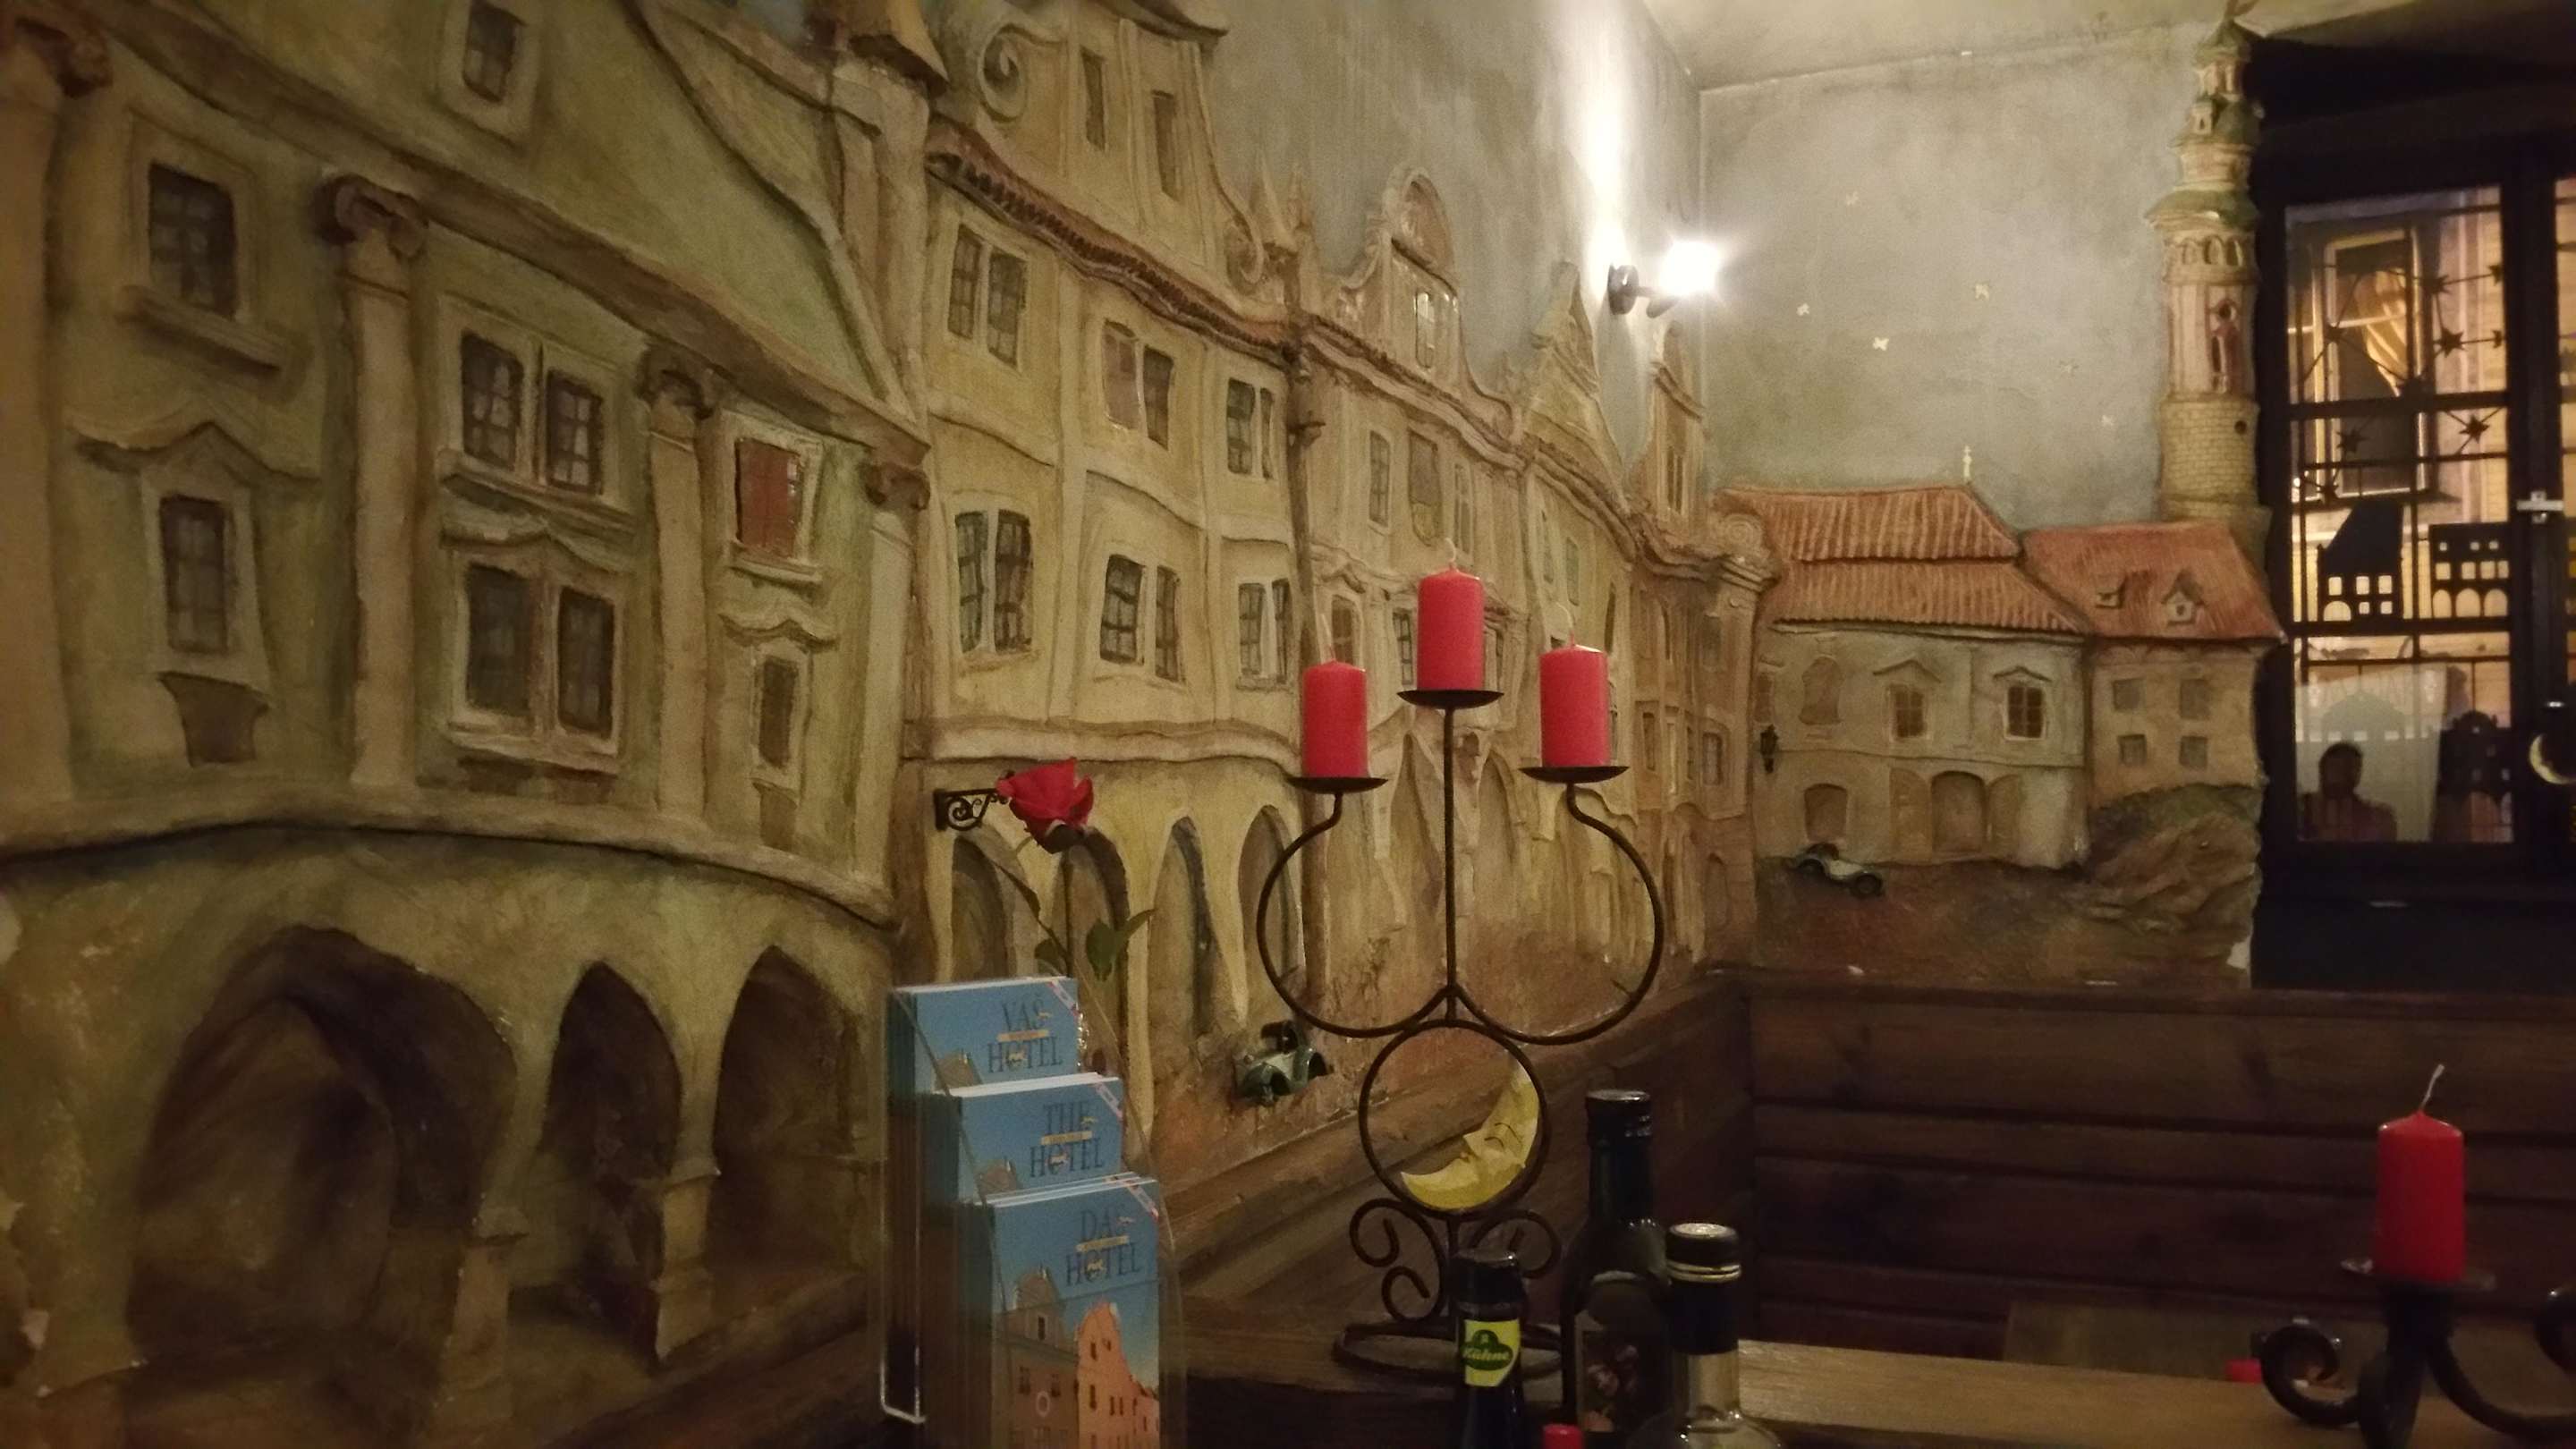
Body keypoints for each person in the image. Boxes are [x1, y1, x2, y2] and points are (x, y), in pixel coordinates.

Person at [2301, 741, 2398, 843]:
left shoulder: (2379, 817)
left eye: (2352, 767)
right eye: (2338, 767)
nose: (2346, 773)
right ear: (2323, 769)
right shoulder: (2301, 809)